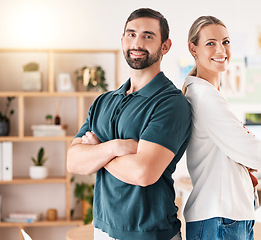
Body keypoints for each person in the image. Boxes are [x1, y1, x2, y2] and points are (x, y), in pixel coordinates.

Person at [67, 8, 192, 240]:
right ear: (122, 40)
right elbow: (74, 162)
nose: (137, 43)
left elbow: (143, 173)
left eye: (148, 36)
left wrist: (97, 151)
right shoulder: (104, 101)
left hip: (150, 233)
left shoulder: (170, 103)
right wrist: (114, 147)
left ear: (165, 46)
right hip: (102, 229)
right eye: (131, 34)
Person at [183, 16, 261, 240]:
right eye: (210, 43)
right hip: (219, 219)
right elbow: (258, 155)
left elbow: (244, 151)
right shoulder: (205, 97)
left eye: (226, 42)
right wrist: (249, 143)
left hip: (224, 217)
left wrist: (243, 145)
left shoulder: (208, 95)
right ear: (193, 48)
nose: (221, 49)